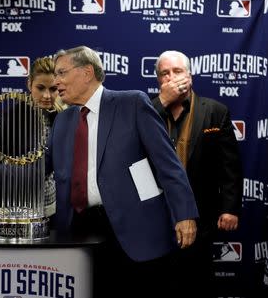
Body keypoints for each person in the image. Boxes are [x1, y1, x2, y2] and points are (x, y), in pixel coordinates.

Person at [46, 45, 199, 297]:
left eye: (62, 73)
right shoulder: (62, 120)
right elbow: (42, 167)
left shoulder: (132, 103)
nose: (56, 81)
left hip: (133, 229)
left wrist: (185, 214)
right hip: (78, 229)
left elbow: (167, 165)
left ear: (86, 72)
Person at [152, 50, 243, 298]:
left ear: (190, 75)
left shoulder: (215, 111)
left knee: (197, 281)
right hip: (155, 214)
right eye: (164, 74)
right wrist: (162, 101)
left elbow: (229, 165)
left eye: (178, 71)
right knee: (157, 280)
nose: (171, 78)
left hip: (201, 212)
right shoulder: (147, 109)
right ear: (158, 80)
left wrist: (229, 208)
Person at [27, 56, 66, 217]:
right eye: (40, 88)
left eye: (53, 89)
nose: (47, 96)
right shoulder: (11, 117)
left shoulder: (63, 116)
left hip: (53, 206)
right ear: (29, 84)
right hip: (19, 205)